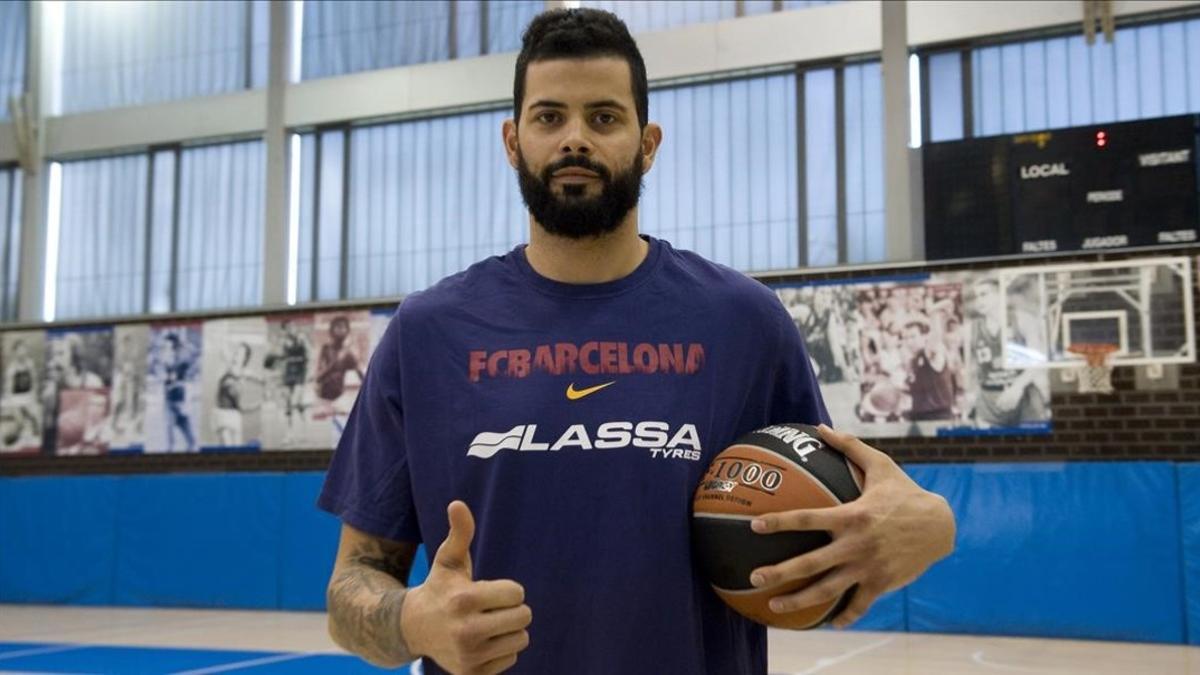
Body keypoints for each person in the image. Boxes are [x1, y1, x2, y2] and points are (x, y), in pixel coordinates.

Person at [318, 9, 956, 675]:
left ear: (648, 142)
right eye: (548, 117)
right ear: (512, 141)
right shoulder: (428, 332)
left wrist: (931, 523)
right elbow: (350, 587)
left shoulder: (745, 322)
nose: (574, 140)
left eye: (603, 117)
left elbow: (844, 510)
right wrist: (413, 618)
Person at [965, 277, 1049, 428]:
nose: (978, 300)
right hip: (990, 402)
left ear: (999, 295)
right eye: (976, 296)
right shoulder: (970, 329)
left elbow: (1038, 361)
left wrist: (1017, 387)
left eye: (984, 294)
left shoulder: (1023, 319)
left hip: (1023, 396)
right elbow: (968, 369)